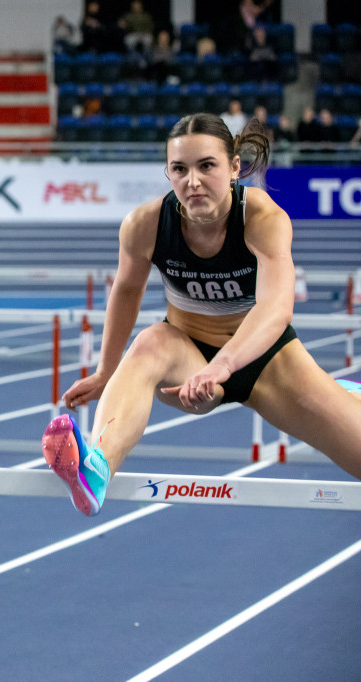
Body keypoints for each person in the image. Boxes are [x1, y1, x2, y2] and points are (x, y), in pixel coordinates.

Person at [41, 113, 361, 517]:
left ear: (234, 167)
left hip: (267, 360)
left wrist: (223, 365)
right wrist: (106, 371)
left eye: (206, 166)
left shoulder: (262, 218)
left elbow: (275, 308)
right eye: (180, 169)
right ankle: (96, 468)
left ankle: (345, 395)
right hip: (188, 357)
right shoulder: (145, 225)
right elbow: (126, 289)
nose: (192, 181)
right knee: (150, 342)